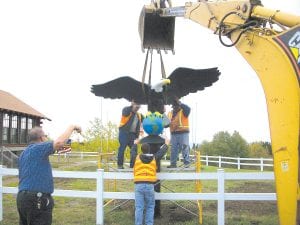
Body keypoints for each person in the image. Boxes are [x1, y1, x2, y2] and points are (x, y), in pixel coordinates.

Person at [17, 125, 81, 225]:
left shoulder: (23, 154)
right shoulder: (38, 148)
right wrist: (72, 127)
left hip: (22, 199)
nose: (47, 138)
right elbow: (59, 143)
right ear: (41, 138)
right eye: (46, 136)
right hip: (38, 199)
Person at [133, 141, 168, 225]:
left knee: (139, 207)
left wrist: (135, 144)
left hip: (138, 185)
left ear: (141, 150)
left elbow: (132, 152)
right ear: (149, 150)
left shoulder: (136, 158)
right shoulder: (154, 158)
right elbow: (161, 152)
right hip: (149, 185)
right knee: (150, 207)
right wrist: (166, 144)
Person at [117, 100, 142, 169]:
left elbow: (146, 120)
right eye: (136, 106)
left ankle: (133, 166)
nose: (137, 108)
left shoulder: (139, 115)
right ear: (132, 105)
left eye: (138, 107)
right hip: (124, 133)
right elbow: (125, 113)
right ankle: (120, 165)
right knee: (122, 148)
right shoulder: (126, 110)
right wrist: (132, 105)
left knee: (134, 150)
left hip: (133, 135)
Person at [167, 97, 191, 168]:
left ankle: (187, 163)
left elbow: (188, 109)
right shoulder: (169, 113)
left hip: (183, 133)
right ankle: (173, 164)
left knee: (184, 148)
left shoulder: (184, 111)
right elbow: (166, 124)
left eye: (176, 105)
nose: (175, 107)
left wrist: (180, 103)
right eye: (174, 106)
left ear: (179, 105)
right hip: (173, 134)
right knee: (173, 149)